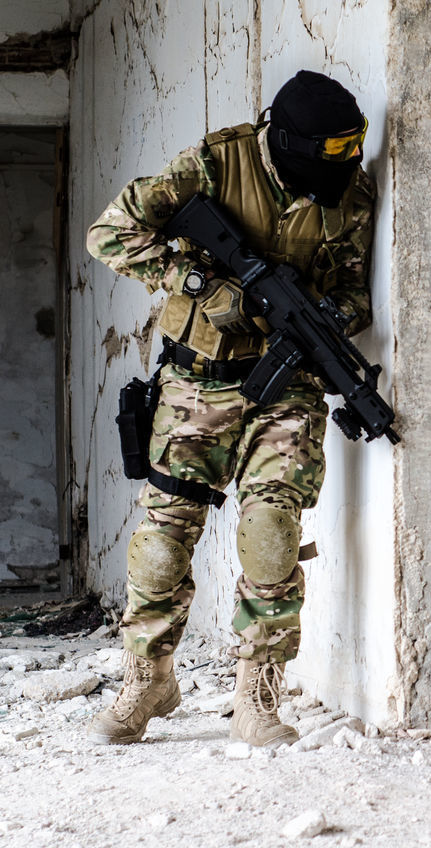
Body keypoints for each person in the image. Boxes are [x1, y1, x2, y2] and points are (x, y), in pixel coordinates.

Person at [83, 70, 376, 747]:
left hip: (289, 383)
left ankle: (258, 691)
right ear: (289, 143)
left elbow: (355, 293)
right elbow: (110, 234)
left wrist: (327, 318)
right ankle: (149, 680)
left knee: (272, 529)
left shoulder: (352, 192)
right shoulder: (215, 164)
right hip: (196, 381)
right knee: (162, 542)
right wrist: (195, 282)